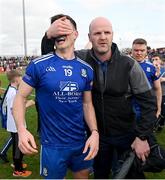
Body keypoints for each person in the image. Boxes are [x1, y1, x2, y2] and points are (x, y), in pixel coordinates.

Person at [41, 16, 157, 178]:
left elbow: (149, 103)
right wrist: (48, 36)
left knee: (132, 175)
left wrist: (142, 136)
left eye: (106, 32)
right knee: (100, 174)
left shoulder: (129, 65)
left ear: (112, 35)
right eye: (97, 33)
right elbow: (50, 61)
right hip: (96, 137)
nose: (102, 37)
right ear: (89, 37)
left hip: (126, 135)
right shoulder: (79, 59)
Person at [13, 14, 99, 179]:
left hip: (80, 142)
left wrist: (94, 132)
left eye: (65, 29)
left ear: (76, 34)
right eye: (57, 29)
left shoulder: (86, 69)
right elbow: (20, 98)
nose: (61, 33)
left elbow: (87, 104)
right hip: (52, 145)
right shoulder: (39, 65)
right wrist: (22, 130)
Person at [2, 70, 32, 177]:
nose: (22, 79)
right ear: (16, 79)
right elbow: (13, 109)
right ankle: (17, 170)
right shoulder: (13, 92)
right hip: (16, 125)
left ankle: (16, 164)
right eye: (20, 77)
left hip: (13, 124)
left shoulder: (12, 90)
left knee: (17, 145)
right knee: (19, 147)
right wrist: (28, 104)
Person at [131, 38, 162, 119]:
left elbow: (158, 89)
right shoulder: (124, 66)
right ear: (132, 50)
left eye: (142, 50)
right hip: (128, 107)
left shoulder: (152, 67)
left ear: (146, 51)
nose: (139, 53)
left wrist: (158, 108)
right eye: (136, 50)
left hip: (146, 107)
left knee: (146, 130)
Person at [152, 54, 165, 129]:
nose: (154, 61)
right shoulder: (152, 69)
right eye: (153, 60)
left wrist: (163, 79)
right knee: (154, 109)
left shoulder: (164, 68)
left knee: (162, 110)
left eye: (156, 59)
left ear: (160, 60)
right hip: (153, 94)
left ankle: (161, 124)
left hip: (163, 93)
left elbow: (160, 79)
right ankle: (154, 124)